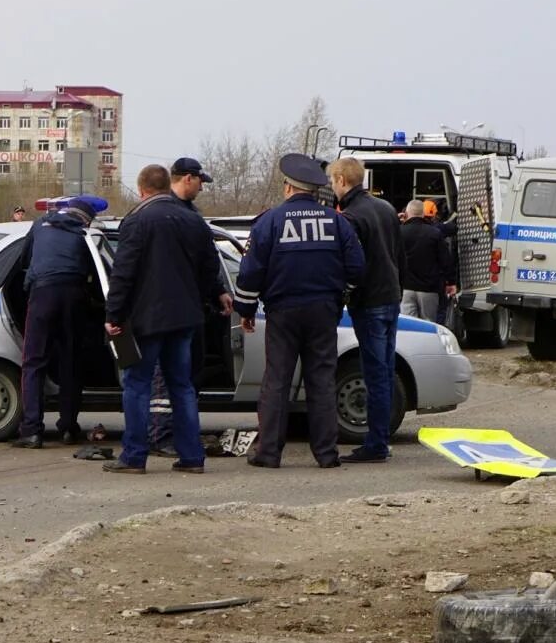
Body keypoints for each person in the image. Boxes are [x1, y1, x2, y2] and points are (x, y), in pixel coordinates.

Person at [236, 154, 365, 469]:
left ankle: (268, 453)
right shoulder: (336, 221)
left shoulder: (270, 221)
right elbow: (357, 269)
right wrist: (340, 296)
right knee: (321, 380)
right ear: (313, 189)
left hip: (282, 311)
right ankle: (326, 454)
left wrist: (247, 308)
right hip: (323, 311)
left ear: (287, 187)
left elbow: (250, 272)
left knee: (277, 380)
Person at [103, 165, 232, 475]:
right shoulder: (193, 220)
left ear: (142, 189)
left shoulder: (137, 219)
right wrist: (213, 294)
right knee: (182, 386)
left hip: (148, 319)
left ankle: (134, 457)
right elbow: (209, 265)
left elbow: (124, 271)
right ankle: (192, 457)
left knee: (137, 385)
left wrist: (114, 315)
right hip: (186, 318)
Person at [329, 157, 406, 463]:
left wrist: (344, 294)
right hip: (391, 297)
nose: (332, 187)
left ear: (341, 180)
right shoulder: (385, 208)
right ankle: (380, 437)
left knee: (374, 373)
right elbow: (399, 255)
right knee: (385, 370)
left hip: (369, 301)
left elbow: (350, 265)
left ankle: (376, 443)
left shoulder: (350, 217)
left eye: (333, 181)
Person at [12, 196, 102, 449]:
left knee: (33, 363)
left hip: (42, 296)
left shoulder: (40, 225)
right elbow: (96, 275)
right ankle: (68, 428)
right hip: (74, 297)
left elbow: (23, 262)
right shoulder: (84, 235)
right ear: (85, 219)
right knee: (70, 361)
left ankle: (31, 430)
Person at [147, 157, 222, 457]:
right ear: (187, 179)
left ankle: (178, 435)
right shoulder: (167, 215)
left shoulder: (188, 214)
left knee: (186, 376)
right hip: (168, 310)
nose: (202, 187)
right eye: (200, 181)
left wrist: (217, 291)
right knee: (165, 379)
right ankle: (161, 436)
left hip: (192, 307)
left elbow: (208, 263)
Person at [400, 200, 457, 322]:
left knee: (409, 326)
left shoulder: (399, 232)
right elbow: (445, 260)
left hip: (406, 288)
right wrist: (451, 282)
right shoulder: (434, 233)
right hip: (429, 289)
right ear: (422, 214)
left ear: (406, 213)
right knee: (428, 325)